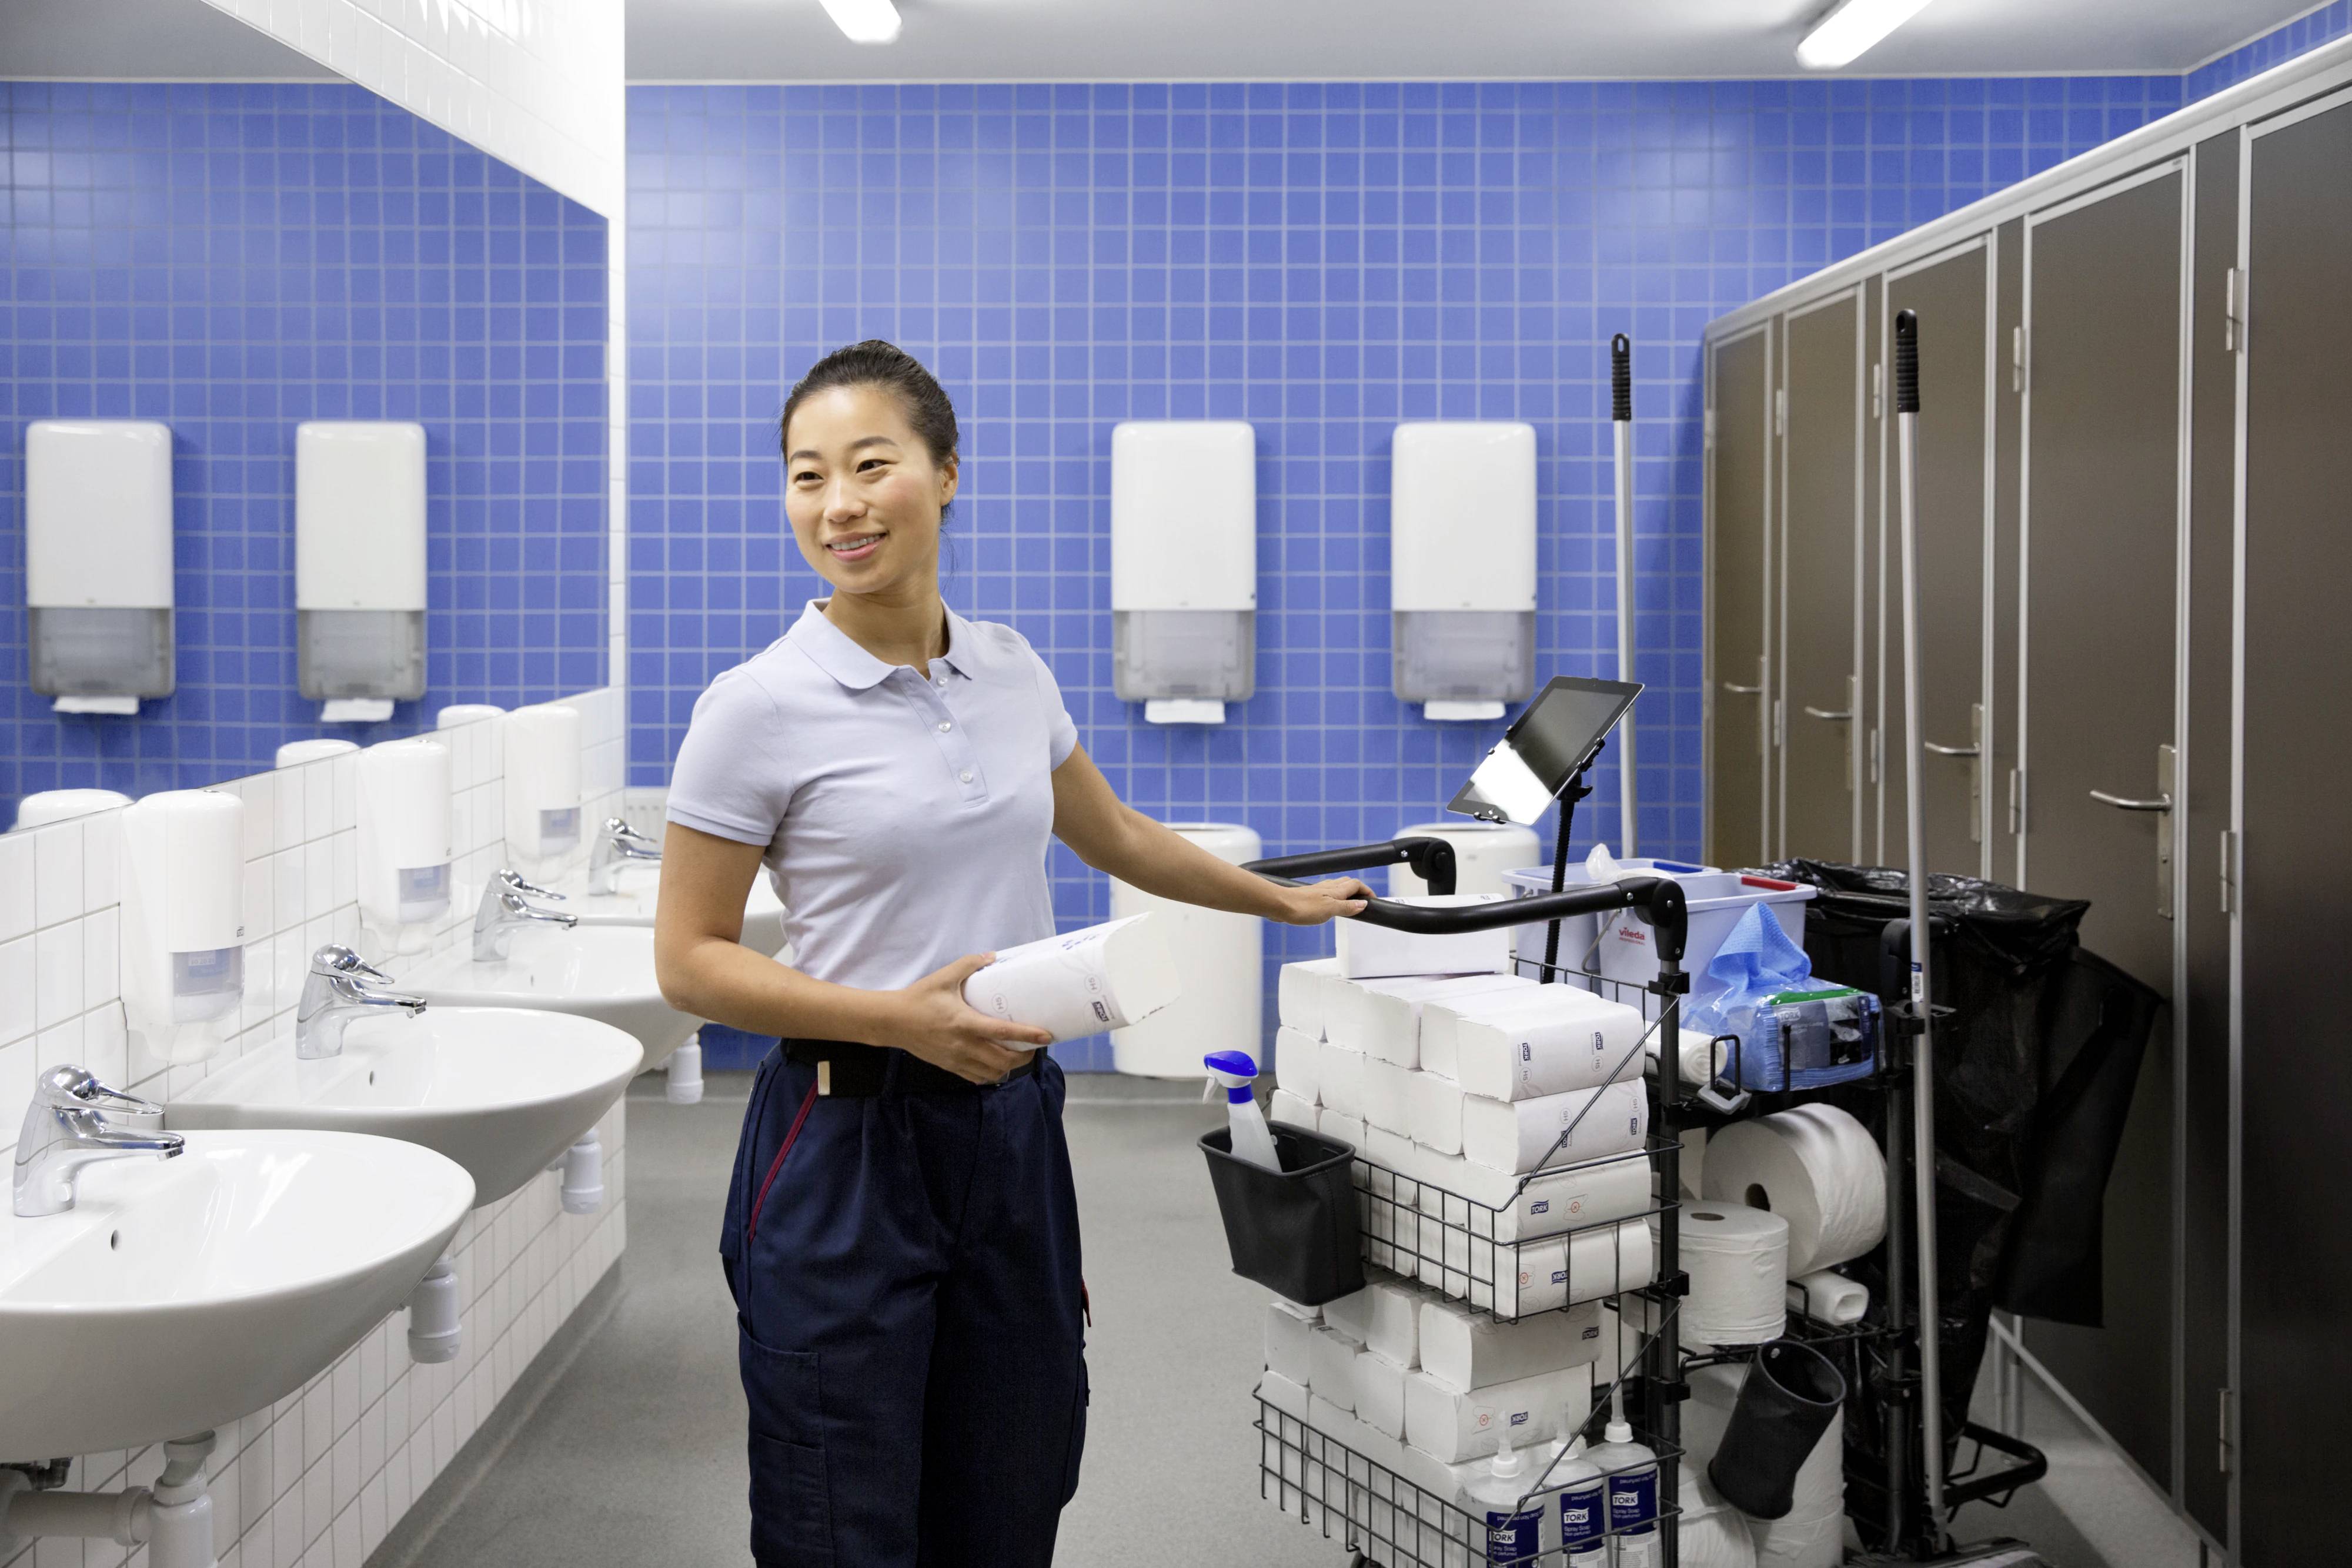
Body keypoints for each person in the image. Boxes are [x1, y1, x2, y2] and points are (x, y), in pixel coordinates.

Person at [652, 339, 1371, 1567]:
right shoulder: (756, 706)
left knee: (1013, 1471)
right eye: (804, 474)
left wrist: (1275, 901)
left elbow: (1118, 832)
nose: (837, 504)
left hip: (1008, 1131)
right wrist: (895, 1017)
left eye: (870, 465)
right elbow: (689, 959)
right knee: (845, 1501)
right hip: (843, 1140)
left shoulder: (1008, 667)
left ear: (944, 474)